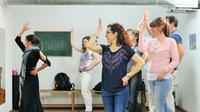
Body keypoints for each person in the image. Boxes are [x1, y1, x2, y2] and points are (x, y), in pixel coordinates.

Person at [85, 18, 145, 112]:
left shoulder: (126, 50)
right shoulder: (104, 49)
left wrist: (128, 75)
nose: (105, 35)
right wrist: (98, 31)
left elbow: (141, 62)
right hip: (106, 90)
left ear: (115, 34)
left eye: (108, 32)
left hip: (121, 91)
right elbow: (88, 45)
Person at [139, 9, 179, 112]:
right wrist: (142, 30)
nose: (152, 29)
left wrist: (164, 70)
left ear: (161, 27)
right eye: (151, 27)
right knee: (162, 104)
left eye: (154, 27)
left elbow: (175, 60)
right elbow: (141, 49)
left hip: (163, 78)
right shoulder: (151, 41)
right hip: (151, 77)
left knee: (159, 106)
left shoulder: (171, 41)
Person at [15, 23, 51, 112]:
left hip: (32, 78)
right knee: (25, 98)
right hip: (25, 78)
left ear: (29, 42)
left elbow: (48, 62)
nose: (24, 42)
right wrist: (23, 29)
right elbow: (17, 40)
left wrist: (37, 70)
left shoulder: (37, 51)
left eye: (25, 41)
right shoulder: (26, 50)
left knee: (31, 98)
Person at [70, 28, 100, 112]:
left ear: (90, 42)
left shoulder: (93, 50)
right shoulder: (83, 50)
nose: (84, 43)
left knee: (84, 91)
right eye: (83, 41)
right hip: (81, 73)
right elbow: (73, 45)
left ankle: (88, 109)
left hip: (87, 73)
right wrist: (71, 34)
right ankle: (88, 108)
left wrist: (91, 67)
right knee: (85, 91)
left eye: (86, 41)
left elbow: (98, 60)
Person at [165, 15, 184, 112]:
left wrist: (174, 67)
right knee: (167, 95)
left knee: (168, 95)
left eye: (166, 22)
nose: (165, 24)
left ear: (172, 23)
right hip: (170, 69)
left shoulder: (175, 35)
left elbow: (181, 51)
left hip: (172, 70)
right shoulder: (171, 35)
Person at [126, 29, 143, 112]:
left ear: (136, 37)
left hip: (135, 76)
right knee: (129, 100)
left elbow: (143, 59)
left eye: (129, 34)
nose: (126, 36)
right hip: (126, 75)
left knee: (132, 100)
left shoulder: (140, 47)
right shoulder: (126, 48)